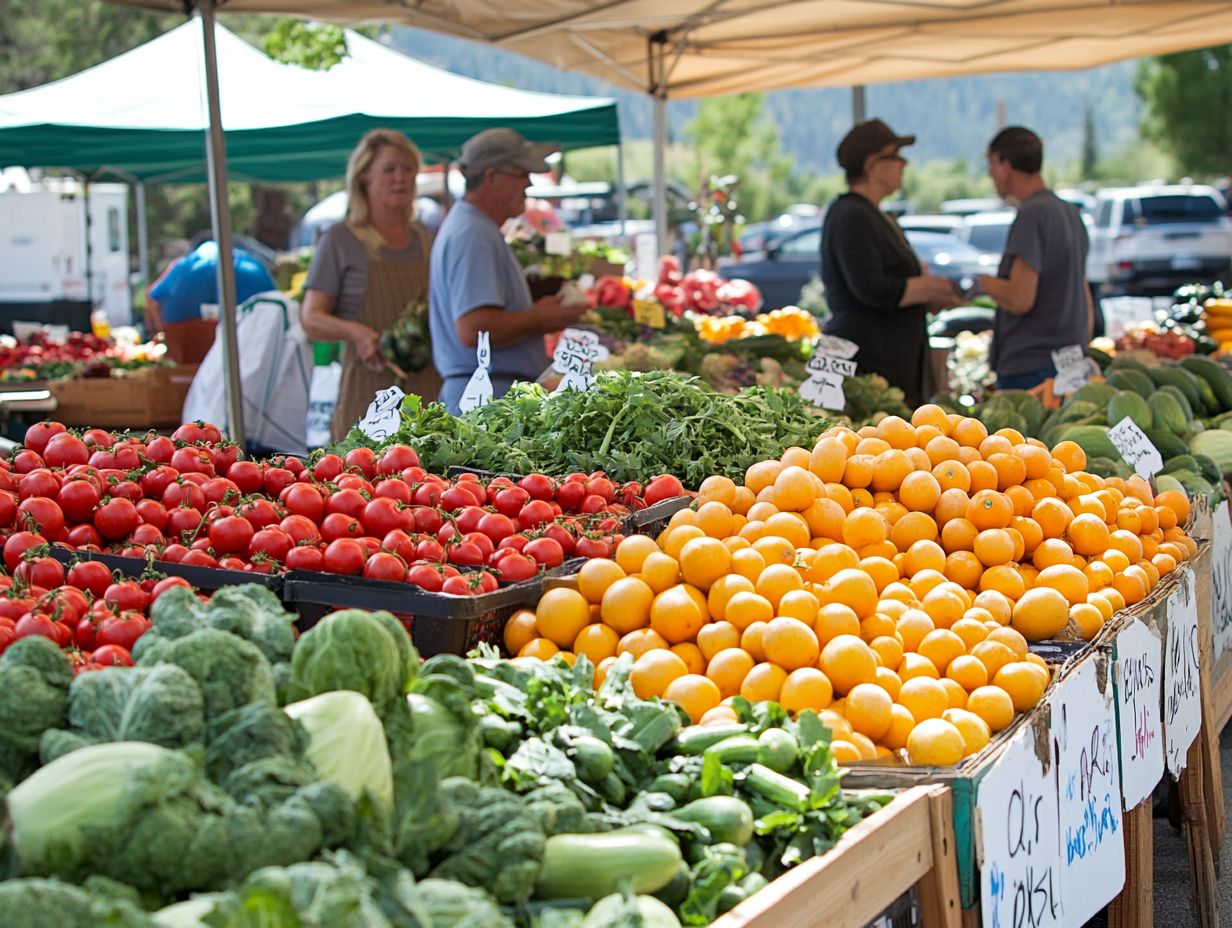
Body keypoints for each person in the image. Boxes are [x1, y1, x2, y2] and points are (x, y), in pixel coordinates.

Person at [429, 128, 587, 414]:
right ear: (491, 177)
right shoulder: (473, 233)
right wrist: (539, 318)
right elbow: (472, 329)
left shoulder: (474, 227)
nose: (528, 182)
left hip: (486, 394)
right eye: (521, 173)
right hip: (487, 401)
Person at [301, 129, 441, 441]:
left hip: (428, 390)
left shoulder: (424, 238)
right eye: (389, 169)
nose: (400, 178)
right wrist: (356, 333)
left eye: (408, 169)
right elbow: (311, 318)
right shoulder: (340, 240)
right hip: (368, 393)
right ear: (364, 177)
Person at [820, 119, 959, 408]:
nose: (904, 165)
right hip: (869, 372)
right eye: (895, 156)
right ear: (872, 164)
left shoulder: (871, 213)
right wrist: (926, 287)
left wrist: (927, 294)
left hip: (886, 367)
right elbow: (870, 288)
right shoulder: (852, 215)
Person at [977, 126, 1092, 390]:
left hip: (1031, 368)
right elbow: (1082, 289)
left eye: (991, 164)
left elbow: (1020, 298)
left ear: (1005, 164)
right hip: (1068, 362)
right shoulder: (1071, 213)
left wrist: (982, 284)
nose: (990, 174)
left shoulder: (1031, 215)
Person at [148, 238, 276, 363]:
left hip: (188, 347)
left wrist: (160, 330)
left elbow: (152, 297)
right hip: (248, 345)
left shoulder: (183, 266)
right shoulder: (251, 265)